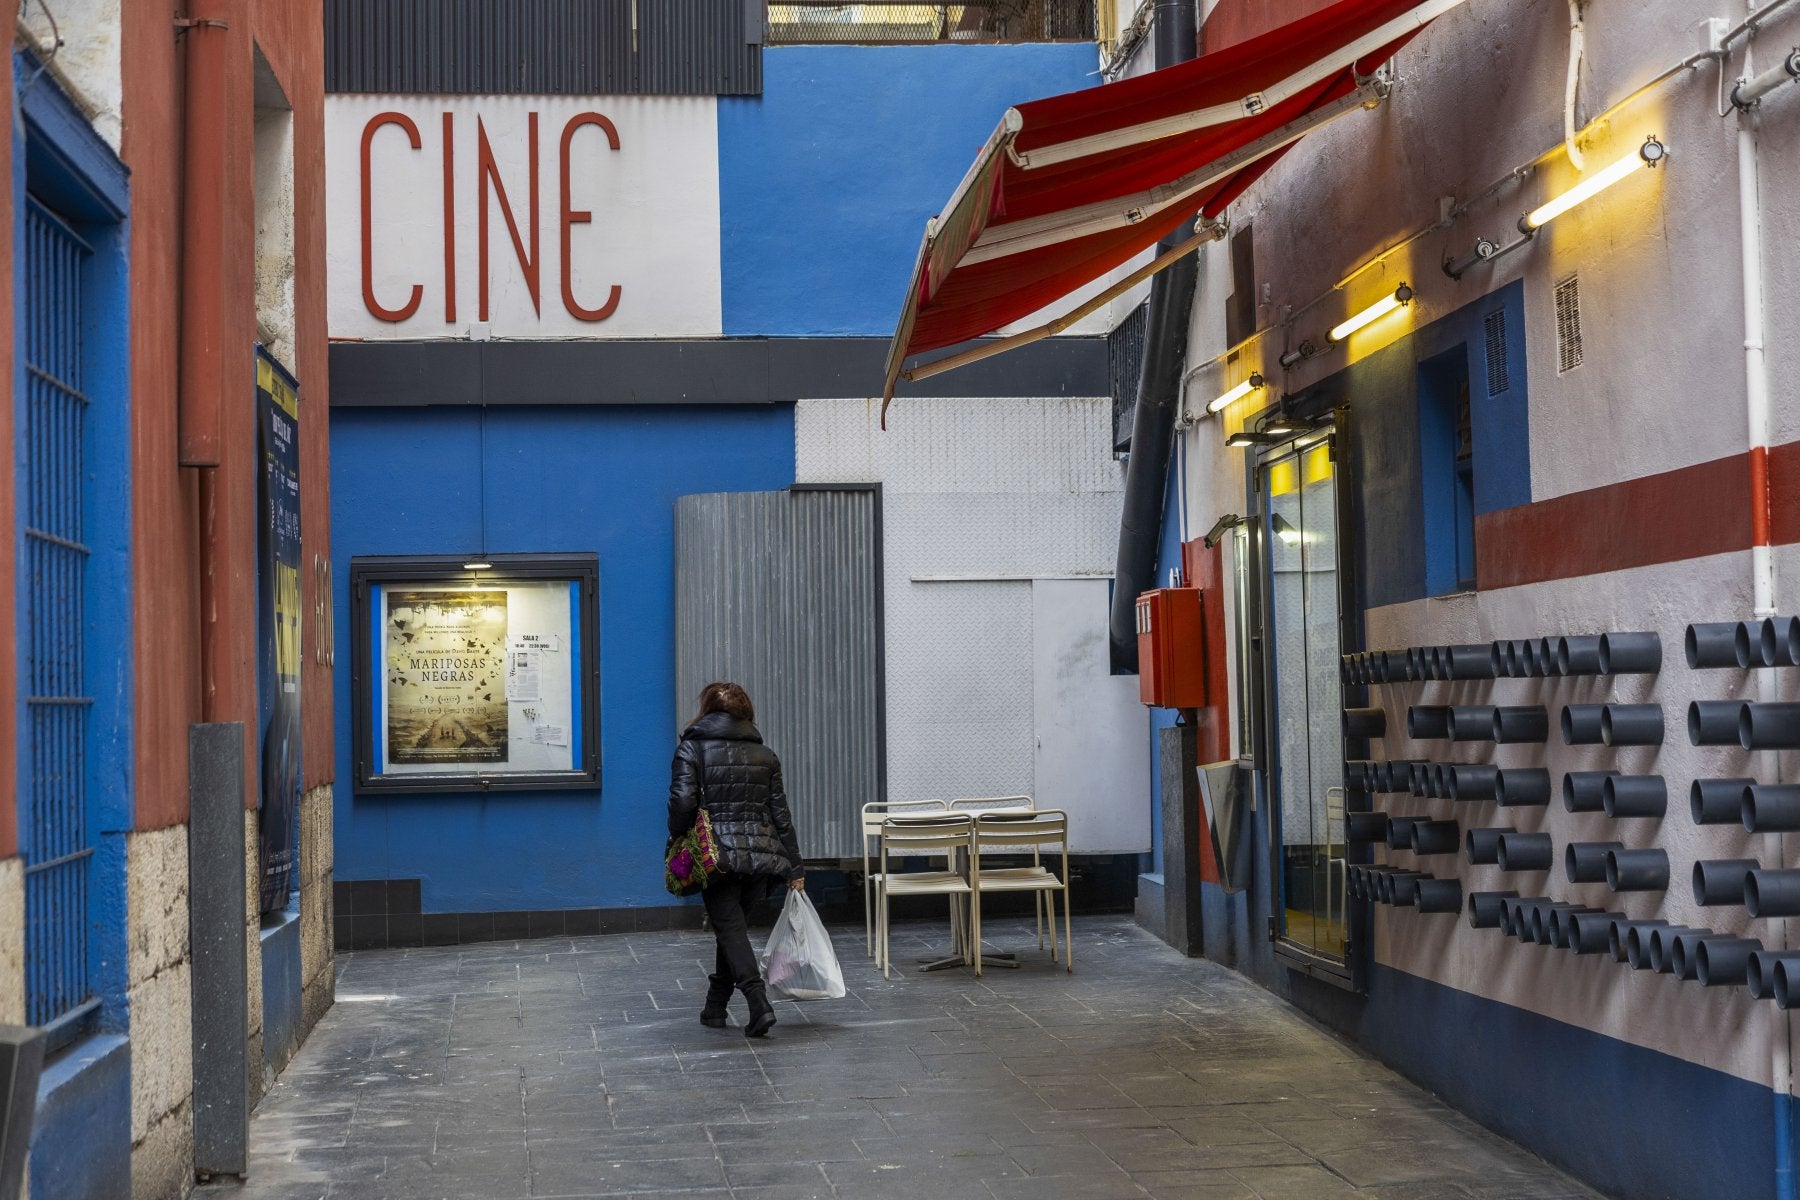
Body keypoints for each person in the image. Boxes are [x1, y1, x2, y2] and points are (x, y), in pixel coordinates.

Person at [668, 681, 804, 1037]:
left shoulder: (691, 750)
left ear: (708, 711)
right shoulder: (766, 755)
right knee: (732, 932)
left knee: (730, 931)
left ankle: (758, 1004)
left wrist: (678, 835)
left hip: (716, 858)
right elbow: (781, 814)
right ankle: (715, 1006)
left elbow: (682, 802)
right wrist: (795, 864)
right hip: (761, 857)